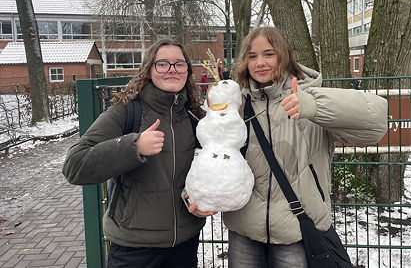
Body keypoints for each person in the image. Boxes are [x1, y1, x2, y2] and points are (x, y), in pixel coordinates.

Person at [223, 27, 388, 268]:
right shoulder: (235, 104)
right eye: (252, 56)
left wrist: (314, 106)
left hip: (297, 228)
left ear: (284, 56)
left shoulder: (310, 97)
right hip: (244, 227)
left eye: (269, 54)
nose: (260, 62)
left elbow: (376, 124)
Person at [62, 39, 215, 268]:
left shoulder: (193, 115)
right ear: (149, 69)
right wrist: (133, 147)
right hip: (134, 248)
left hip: (185, 243)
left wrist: (204, 197)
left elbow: (221, 160)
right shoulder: (127, 110)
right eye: (162, 64)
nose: (172, 70)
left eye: (180, 64)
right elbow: (75, 165)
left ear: (187, 71)